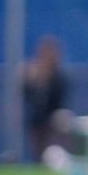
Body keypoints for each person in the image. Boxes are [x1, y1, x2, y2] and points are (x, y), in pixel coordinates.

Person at [22, 35, 70, 163]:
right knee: (38, 145)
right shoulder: (34, 74)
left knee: (61, 123)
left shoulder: (58, 76)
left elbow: (60, 99)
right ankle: (39, 162)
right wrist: (33, 80)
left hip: (54, 118)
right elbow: (28, 96)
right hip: (38, 118)